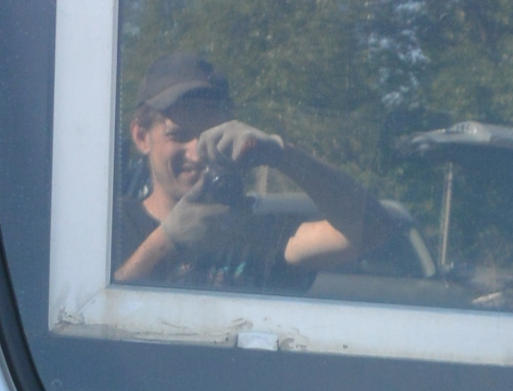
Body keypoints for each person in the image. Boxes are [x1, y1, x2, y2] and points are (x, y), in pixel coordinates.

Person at [113, 54, 393, 291]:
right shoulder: (111, 226)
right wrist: (168, 240)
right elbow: (100, 308)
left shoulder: (259, 236)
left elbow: (373, 230)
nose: (197, 153)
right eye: (178, 135)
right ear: (141, 136)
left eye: (212, 136)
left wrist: (282, 153)